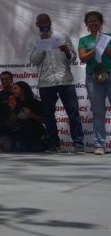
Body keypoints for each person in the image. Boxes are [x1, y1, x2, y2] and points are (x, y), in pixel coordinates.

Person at [29, 13, 84, 152]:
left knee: (73, 112)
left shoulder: (62, 36)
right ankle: (54, 144)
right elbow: (34, 61)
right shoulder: (34, 40)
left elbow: (73, 58)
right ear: (37, 24)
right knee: (48, 114)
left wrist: (67, 51)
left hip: (65, 80)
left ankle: (78, 143)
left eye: (46, 22)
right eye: (41, 23)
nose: (44, 25)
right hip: (46, 82)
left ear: (50, 22)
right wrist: (42, 44)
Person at [78, 11, 111, 155]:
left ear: (100, 22)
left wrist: (104, 45)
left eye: (95, 20)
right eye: (89, 21)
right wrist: (95, 48)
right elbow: (83, 58)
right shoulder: (83, 40)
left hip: (110, 75)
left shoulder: (108, 37)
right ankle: (99, 145)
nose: (92, 23)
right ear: (86, 24)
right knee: (98, 112)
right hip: (93, 77)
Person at [10, 81, 45, 152]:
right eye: (13, 89)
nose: (13, 91)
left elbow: (44, 120)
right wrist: (12, 110)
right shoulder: (14, 104)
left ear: (23, 89)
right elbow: (13, 122)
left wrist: (32, 115)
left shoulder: (36, 103)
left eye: (15, 88)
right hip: (20, 139)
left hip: (35, 139)